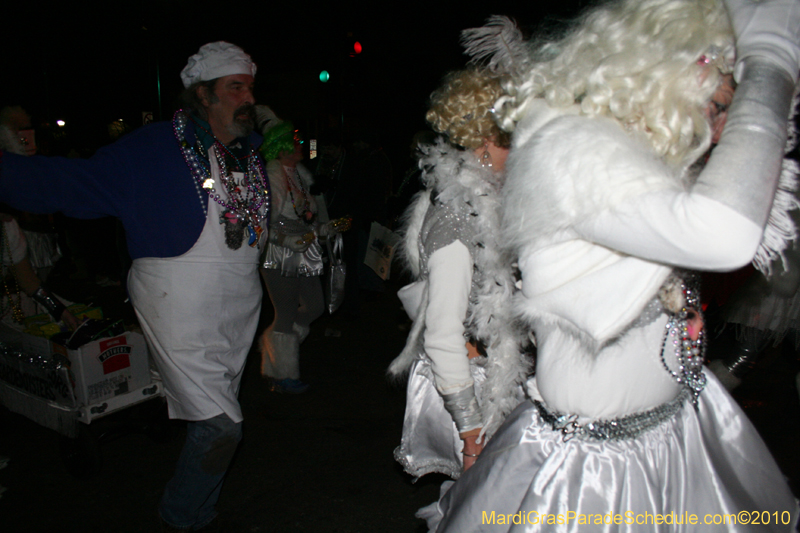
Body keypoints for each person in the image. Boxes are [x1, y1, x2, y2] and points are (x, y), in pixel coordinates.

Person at [425, 0, 800, 530]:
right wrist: (774, 54)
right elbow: (723, 233)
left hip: (676, 438)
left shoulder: (629, 157)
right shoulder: (568, 151)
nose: (719, 131)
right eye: (716, 107)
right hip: (592, 471)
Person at [0, 41, 273, 531]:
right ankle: (180, 515)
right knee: (221, 426)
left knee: (219, 415)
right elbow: (71, 182)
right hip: (179, 301)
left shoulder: (248, 158)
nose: (248, 97)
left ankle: (200, 507)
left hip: (238, 307)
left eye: (251, 87)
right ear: (203, 95)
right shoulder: (154, 148)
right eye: (236, 87)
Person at [388, 68, 530, 480]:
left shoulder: (483, 201)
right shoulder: (457, 215)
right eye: (514, 140)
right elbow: (443, 334)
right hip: (468, 387)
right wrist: (471, 434)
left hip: (491, 374)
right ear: (486, 141)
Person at [258, 120, 349, 393]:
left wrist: (327, 228)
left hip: (305, 250)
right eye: (295, 142)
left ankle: (275, 346)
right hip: (279, 252)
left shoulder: (300, 175)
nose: (300, 146)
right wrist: (286, 239)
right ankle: (282, 375)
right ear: (282, 147)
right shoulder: (272, 176)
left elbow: (307, 219)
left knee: (315, 306)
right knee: (285, 312)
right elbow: (261, 222)